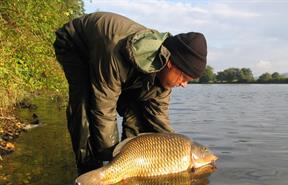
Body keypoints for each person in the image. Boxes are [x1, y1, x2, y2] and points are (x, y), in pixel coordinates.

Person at [53, 12, 207, 175]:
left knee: (137, 108)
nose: (184, 84)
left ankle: (133, 173)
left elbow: (158, 118)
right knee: (85, 104)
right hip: (77, 45)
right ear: (169, 62)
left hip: (119, 58)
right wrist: (113, 160)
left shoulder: (163, 76)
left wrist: (177, 155)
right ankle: (88, 170)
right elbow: (104, 110)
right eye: (184, 77)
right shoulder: (114, 52)